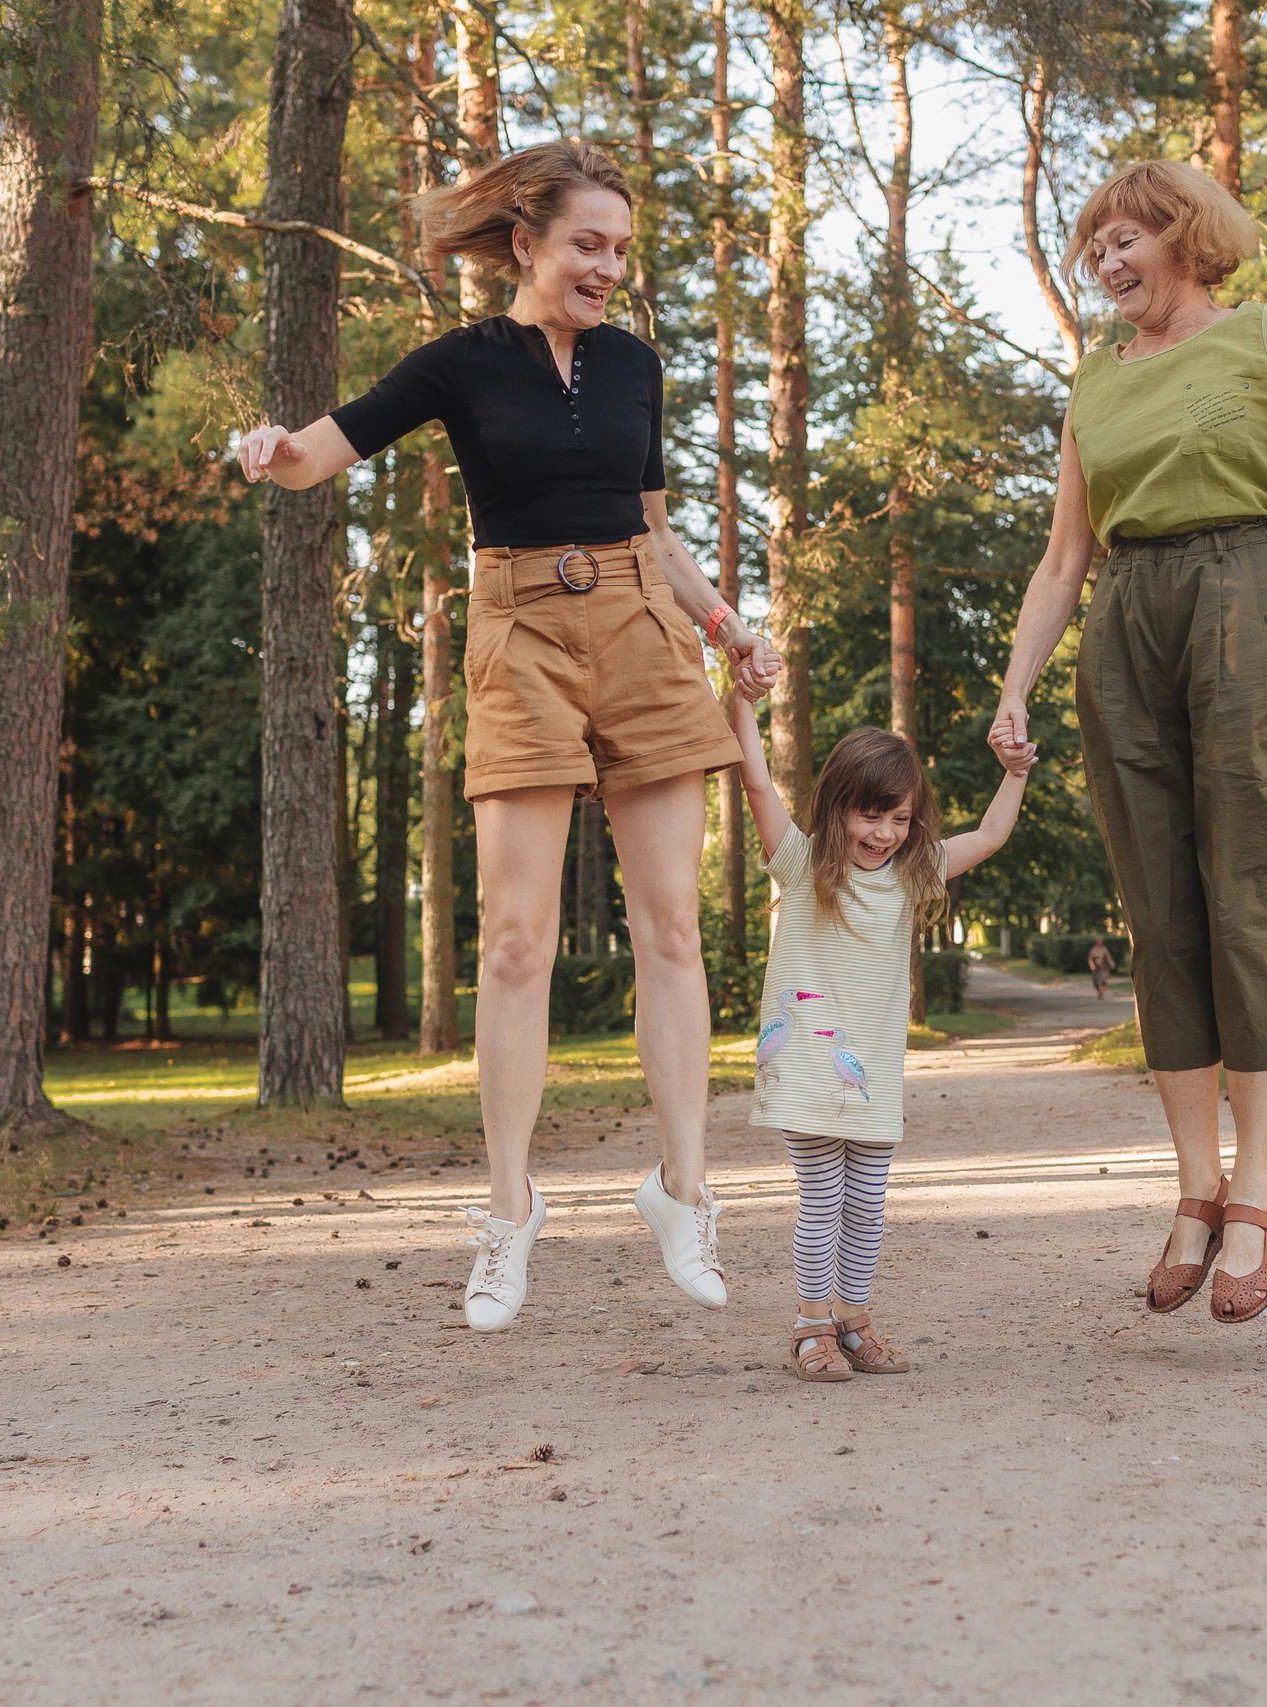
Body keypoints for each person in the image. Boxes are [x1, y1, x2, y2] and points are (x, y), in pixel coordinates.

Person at [235, 139, 782, 1333]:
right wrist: (275, 457)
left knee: (672, 926)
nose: (607, 268)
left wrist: (730, 626)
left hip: (643, 626)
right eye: (588, 244)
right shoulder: (460, 363)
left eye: (621, 251)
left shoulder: (638, 364)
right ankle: (506, 1211)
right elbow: (323, 449)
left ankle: (684, 1190)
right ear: (526, 244)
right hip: (519, 631)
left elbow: (655, 529)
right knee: (519, 943)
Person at [986, 160, 1267, 1325]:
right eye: (1094, 250)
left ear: (1184, 236)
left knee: (1249, 891)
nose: (1106, 265)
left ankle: (1261, 1192)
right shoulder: (1091, 382)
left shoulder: (1262, 336)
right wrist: (1016, 686)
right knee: (1159, 913)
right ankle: (1194, 1191)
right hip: (1128, 620)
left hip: (1251, 598)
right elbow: (1063, 559)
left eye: (1124, 239)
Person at [728, 690, 1033, 1381]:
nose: (885, 832)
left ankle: (852, 1318)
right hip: (809, 1064)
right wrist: (744, 702)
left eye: (900, 818)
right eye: (871, 814)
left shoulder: (910, 875)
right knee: (824, 1195)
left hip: (871, 1072)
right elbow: (753, 779)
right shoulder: (802, 866)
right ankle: (811, 1326)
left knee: (867, 1201)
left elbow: (987, 837)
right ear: (836, 805)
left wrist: (1014, 772)